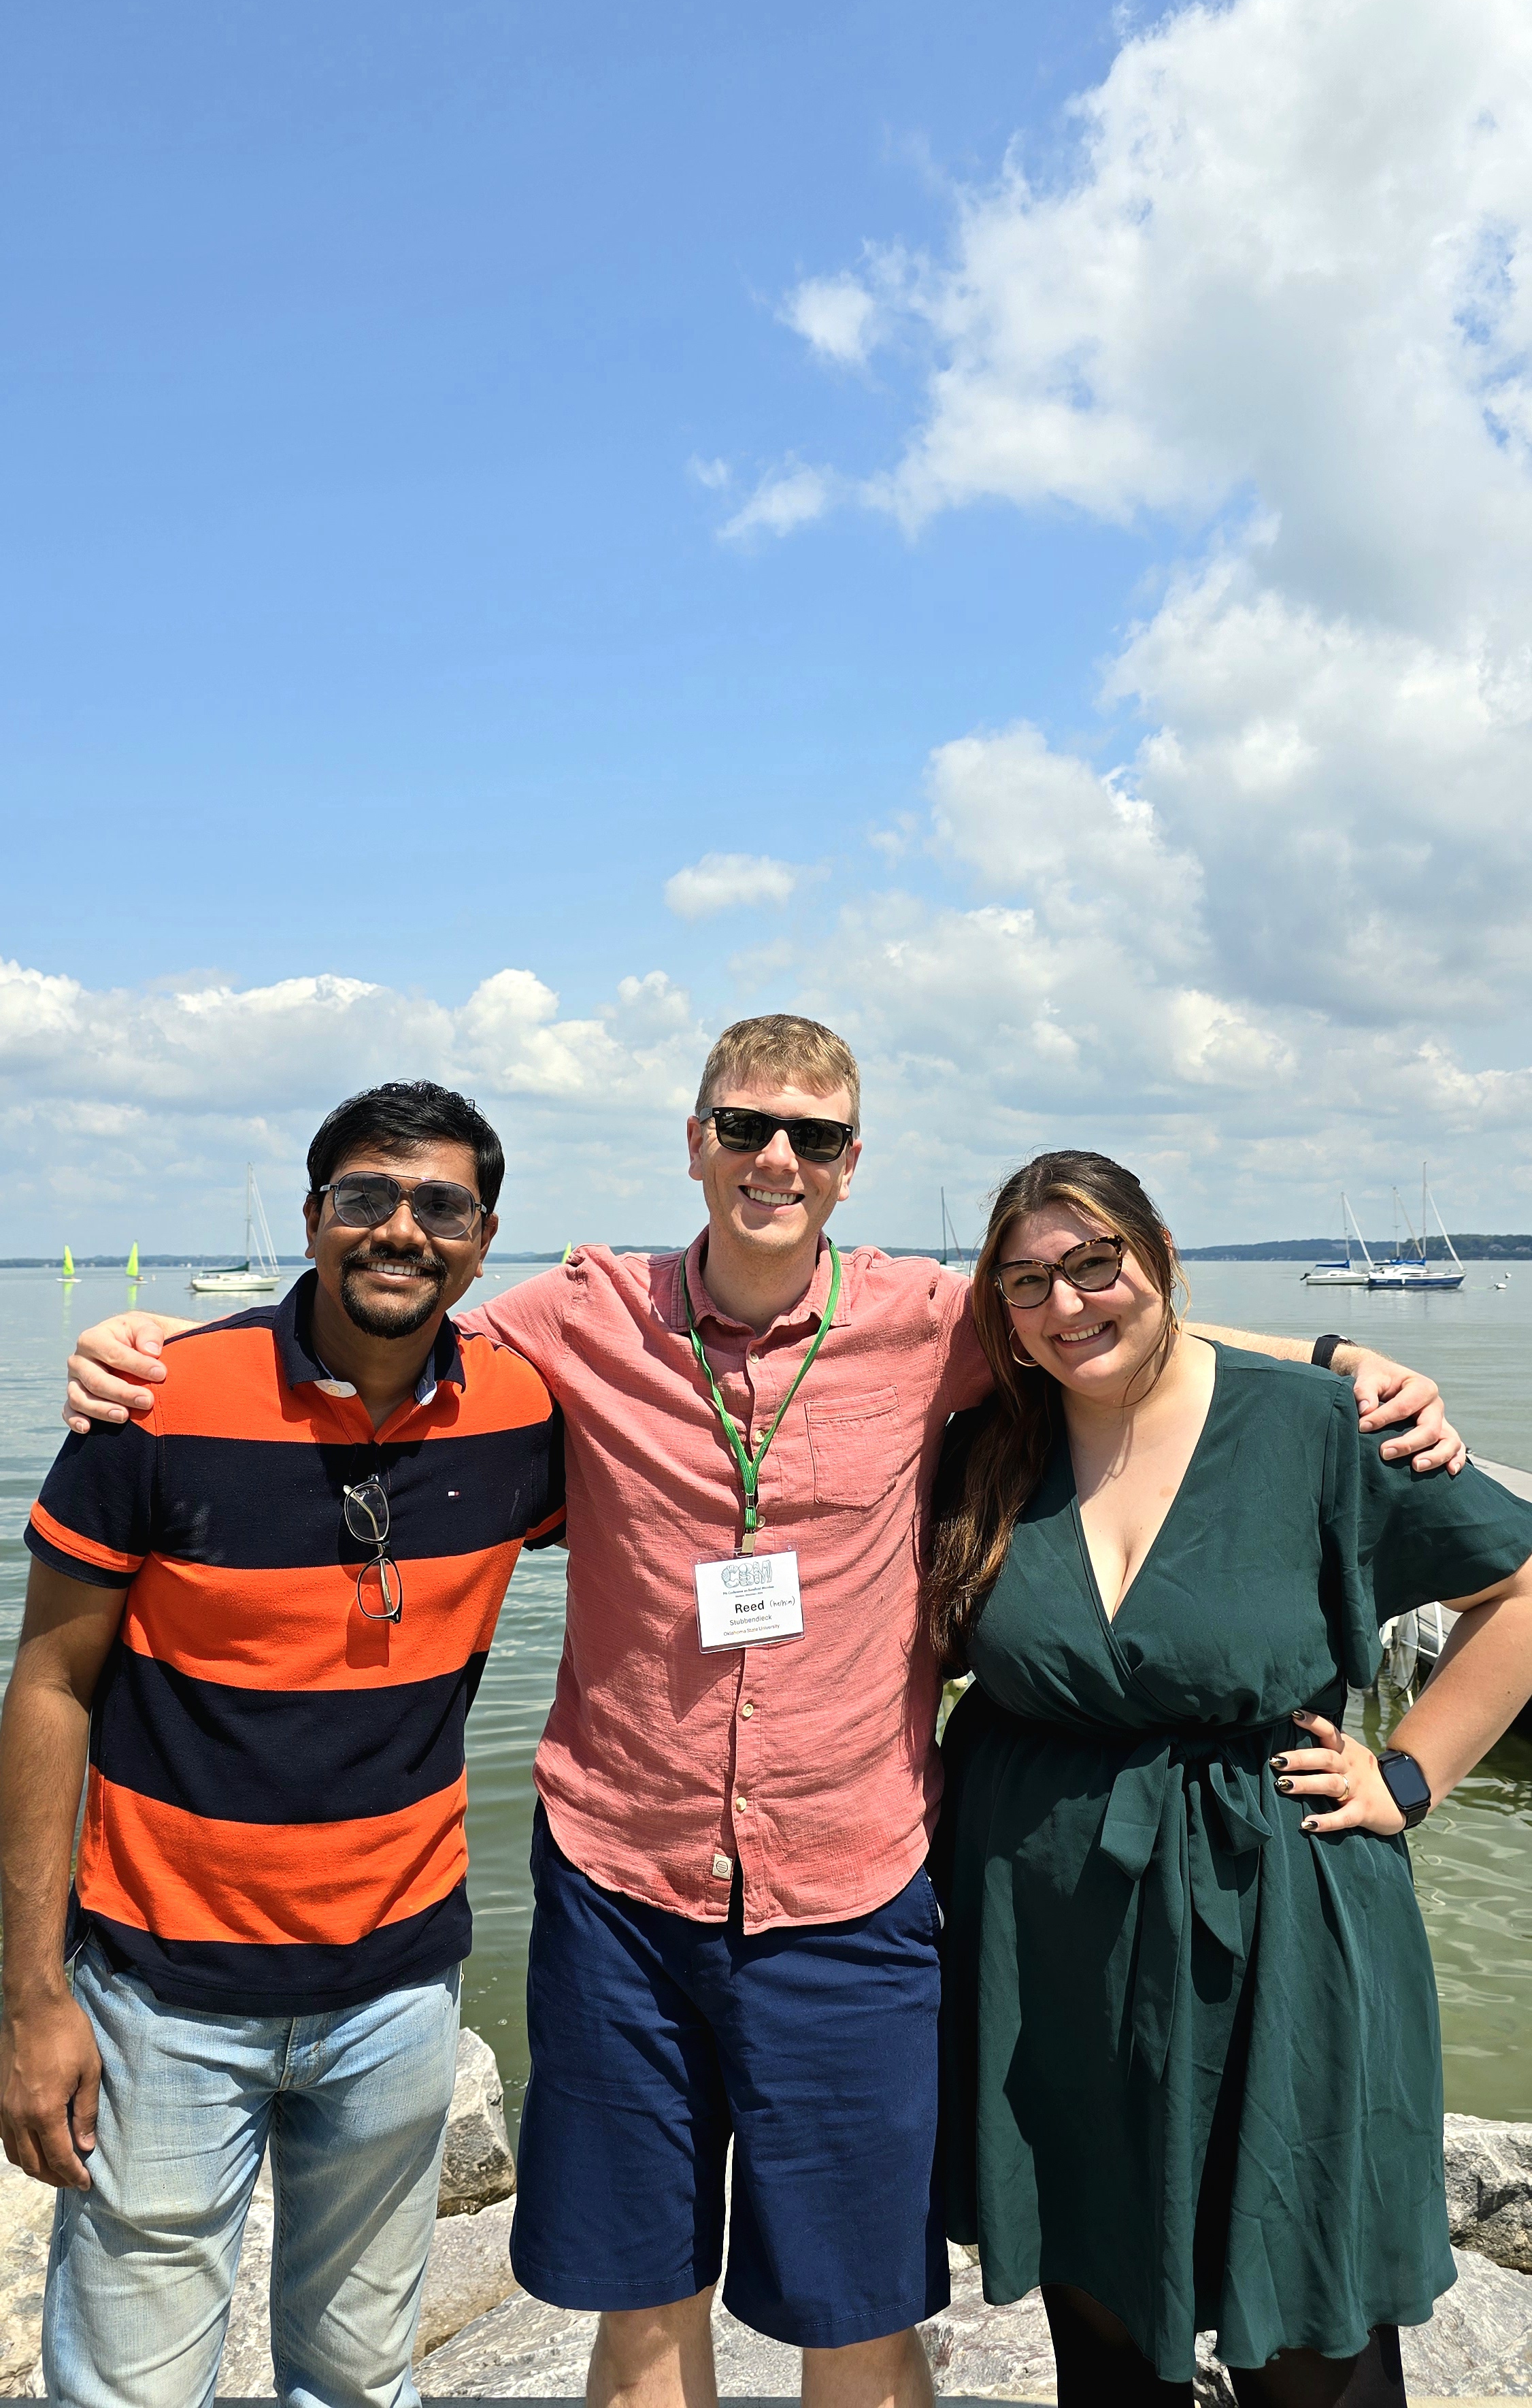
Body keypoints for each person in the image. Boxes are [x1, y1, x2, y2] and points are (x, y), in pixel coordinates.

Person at [59, 1019, 1463, 2408]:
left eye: (814, 1133)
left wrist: (1336, 1352)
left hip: (850, 1897)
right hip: (620, 1888)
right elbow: (388, 1318)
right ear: (695, 1141)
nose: (776, 1154)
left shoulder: (929, 1321)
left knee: (858, 2322)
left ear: (854, 1162)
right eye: (745, 1124)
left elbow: (1113, 1315)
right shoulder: (584, 1311)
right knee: (643, 2318)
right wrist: (162, 1347)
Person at [927, 1149, 1532, 2408]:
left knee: (1317, 2317)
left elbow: (1517, 1591)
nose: (1068, 1303)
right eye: (1029, 1280)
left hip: (1284, 1922)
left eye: (1099, 1264)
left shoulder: (1313, 1424)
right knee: (1098, 2321)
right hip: (1047, 1941)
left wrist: (1410, 1778)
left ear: (1161, 1262)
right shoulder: (984, 1444)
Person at [3, 1081, 563, 2408]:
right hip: (160, 1993)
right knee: (129, 2388)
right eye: (365, 1195)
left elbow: (691, 1494)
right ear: (314, 1219)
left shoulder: (521, 1417)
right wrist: (30, 1993)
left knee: (361, 2379)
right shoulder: (155, 1400)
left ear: (485, 1240)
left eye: (442, 1203)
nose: (400, 1228)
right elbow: (47, 1688)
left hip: (400, 1993)